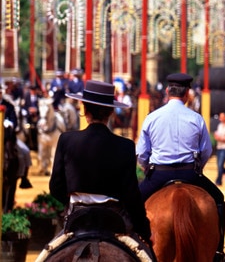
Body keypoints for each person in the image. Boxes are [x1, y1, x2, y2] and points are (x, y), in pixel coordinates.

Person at [50, 80, 152, 246]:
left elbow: (56, 187)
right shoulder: (125, 146)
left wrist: (75, 200)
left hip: (77, 216)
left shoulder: (66, 140)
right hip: (114, 219)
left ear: (84, 109)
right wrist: (145, 231)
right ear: (111, 112)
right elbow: (132, 196)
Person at [136, 73, 225, 258]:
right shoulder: (196, 118)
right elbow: (206, 150)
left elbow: (141, 153)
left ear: (168, 92)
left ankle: (133, 247)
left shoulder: (152, 117)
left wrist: (147, 169)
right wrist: (198, 169)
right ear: (187, 94)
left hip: (158, 174)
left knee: (132, 204)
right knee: (217, 198)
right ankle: (217, 250)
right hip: (189, 173)